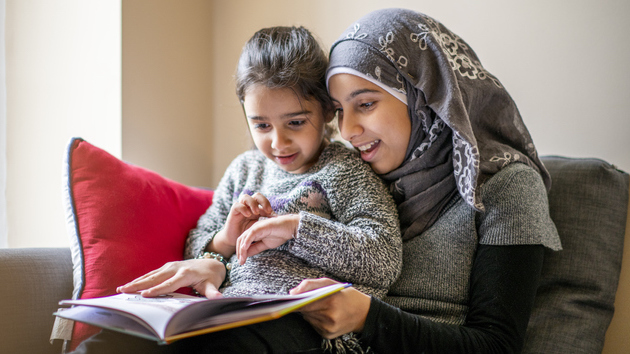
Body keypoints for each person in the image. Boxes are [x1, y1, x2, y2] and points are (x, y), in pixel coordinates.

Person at [72, 25, 401, 354]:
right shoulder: (244, 170)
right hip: (227, 312)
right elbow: (197, 244)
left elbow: (384, 258)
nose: (277, 142)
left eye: (296, 123)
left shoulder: (347, 170)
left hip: (305, 322)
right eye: (261, 125)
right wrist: (226, 239)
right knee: (110, 343)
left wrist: (296, 229)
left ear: (328, 110)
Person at [288, 8, 562, 354]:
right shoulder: (353, 177)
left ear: (424, 96)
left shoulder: (506, 187)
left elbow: (498, 345)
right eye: (340, 110)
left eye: (366, 104)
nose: (348, 131)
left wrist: (367, 318)